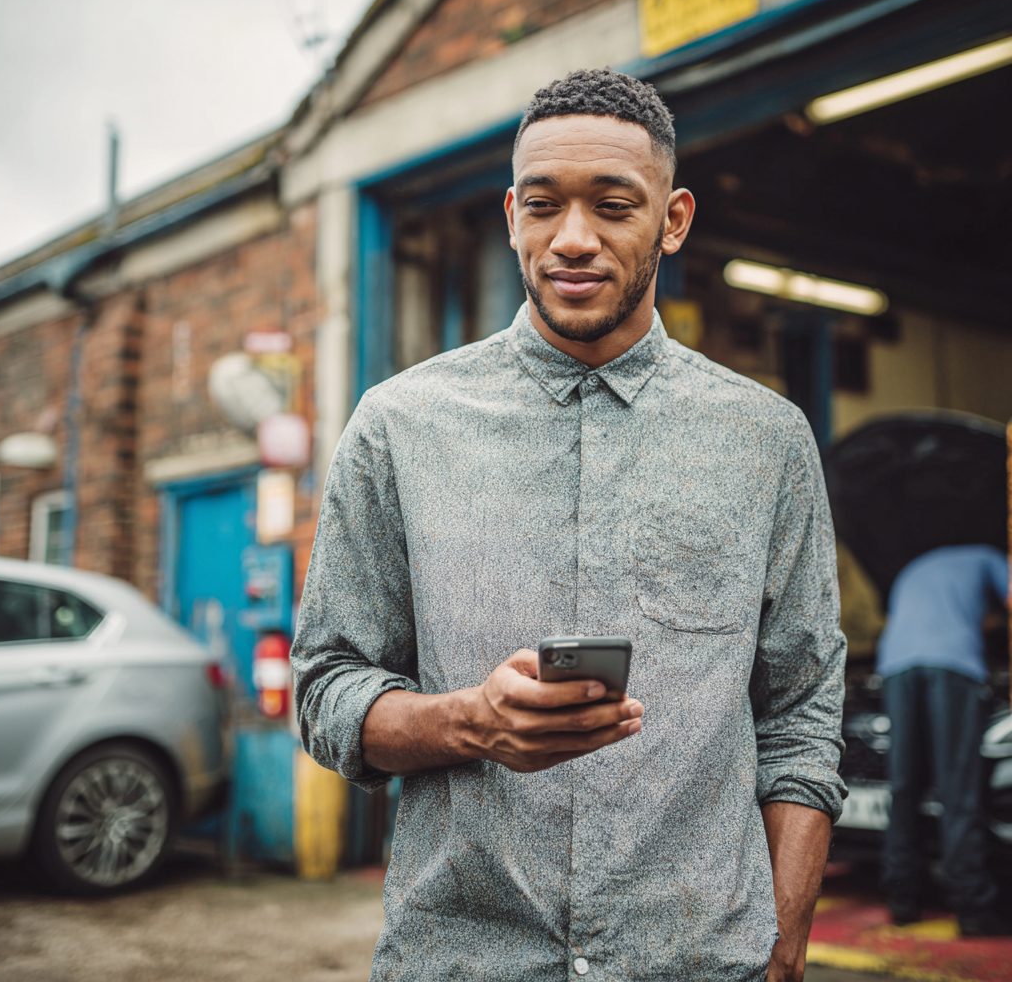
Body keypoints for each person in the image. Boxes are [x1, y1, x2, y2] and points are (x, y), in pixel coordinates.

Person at [292, 68, 847, 982]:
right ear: (512, 215)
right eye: (544, 206)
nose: (574, 240)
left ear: (672, 221)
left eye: (615, 206)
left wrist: (781, 950)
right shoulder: (398, 426)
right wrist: (468, 721)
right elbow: (326, 688)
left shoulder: (766, 442)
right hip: (464, 958)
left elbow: (800, 713)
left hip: (700, 962)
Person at [875, 544, 1009, 935]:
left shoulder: (916, 565)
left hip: (896, 666)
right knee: (957, 789)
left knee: (904, 787)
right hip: (952, 664)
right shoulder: (989, 558)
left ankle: (902, 900)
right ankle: (973, 908)